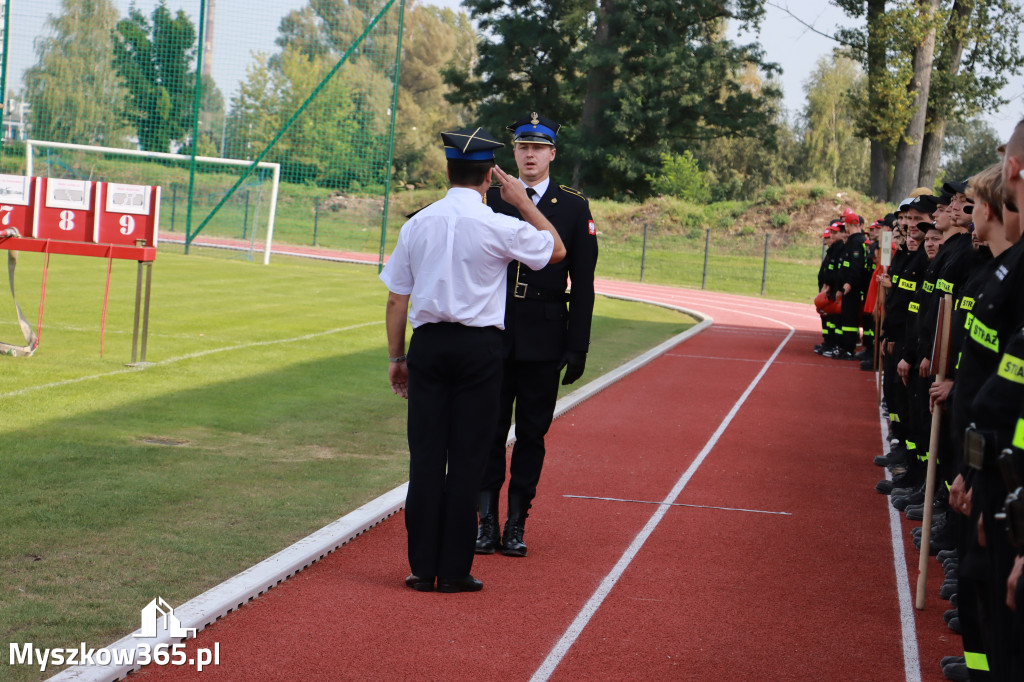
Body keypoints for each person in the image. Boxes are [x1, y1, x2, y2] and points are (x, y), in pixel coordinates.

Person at [380, 127, 566, 593]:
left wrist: (397, 357)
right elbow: (556, 251)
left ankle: (423, 568)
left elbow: (395, 300)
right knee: (467, 459)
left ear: (447, 171)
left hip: (428, 346)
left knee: (424, 459)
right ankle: (456, 569)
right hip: (480, 351)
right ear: (489, 177)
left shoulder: (418, 223)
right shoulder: (498, 224)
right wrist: (523, 201)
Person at [475, 113, 599, 557]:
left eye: (537, 148)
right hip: (493, 328)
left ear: (552, 153)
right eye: (522, 147)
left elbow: (582, 282)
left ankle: (516, 523)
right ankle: (485, 521)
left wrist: (577, 344)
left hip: (545, 335)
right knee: (488, 430)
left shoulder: (573, 206)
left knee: (531, 433)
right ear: (514, 152)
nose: (529, 155)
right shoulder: (490, 199)